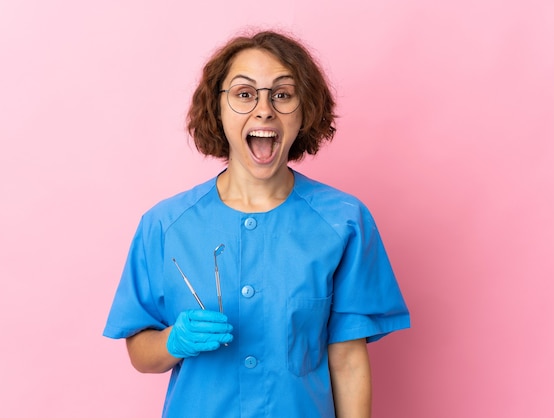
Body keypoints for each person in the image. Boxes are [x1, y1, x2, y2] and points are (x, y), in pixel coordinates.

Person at [103, 30, 410, 418]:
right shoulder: (165, 225)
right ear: (218, 110)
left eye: (282, 94)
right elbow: (141, 355)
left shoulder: (344, 222)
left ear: (305, 110)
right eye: (245, 94)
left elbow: (348, 361)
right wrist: (172, 342)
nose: (264, 109)